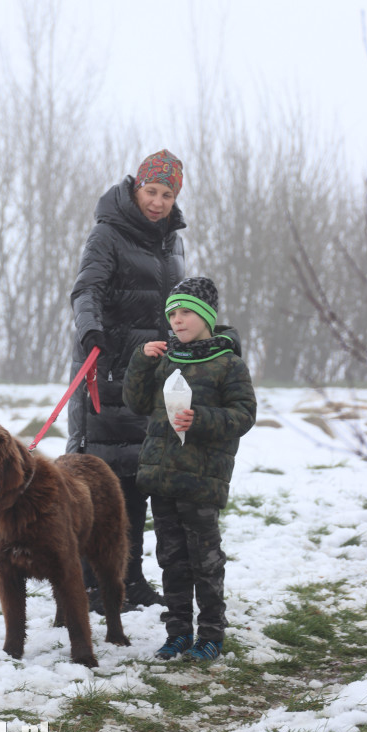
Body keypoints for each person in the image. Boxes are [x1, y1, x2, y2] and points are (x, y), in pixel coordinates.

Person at [66, 149, 186, 611]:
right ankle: (93, 583)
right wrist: (90, 329)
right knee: (103, 478)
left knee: (138, 478)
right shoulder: (107, 233)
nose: (157, 202)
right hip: (108, 367)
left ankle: (129, 578)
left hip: (153, 375)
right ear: (136, 187)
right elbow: (87, 288)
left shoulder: (172, 241)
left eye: (167, 194)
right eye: (151, 191)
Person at [122, 277, 257, 660]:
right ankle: (178, 631)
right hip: (162, 477)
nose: (177, 321)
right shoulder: (166, 357)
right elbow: (136, 403)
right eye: (172, 315)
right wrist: (139, 361)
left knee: (205, 560)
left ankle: (211, 634)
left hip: (201, 480)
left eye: (185, 312)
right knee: (172, 560)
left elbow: (243, 414)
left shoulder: (228, 363)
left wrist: (201, 419)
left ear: (206, 316)